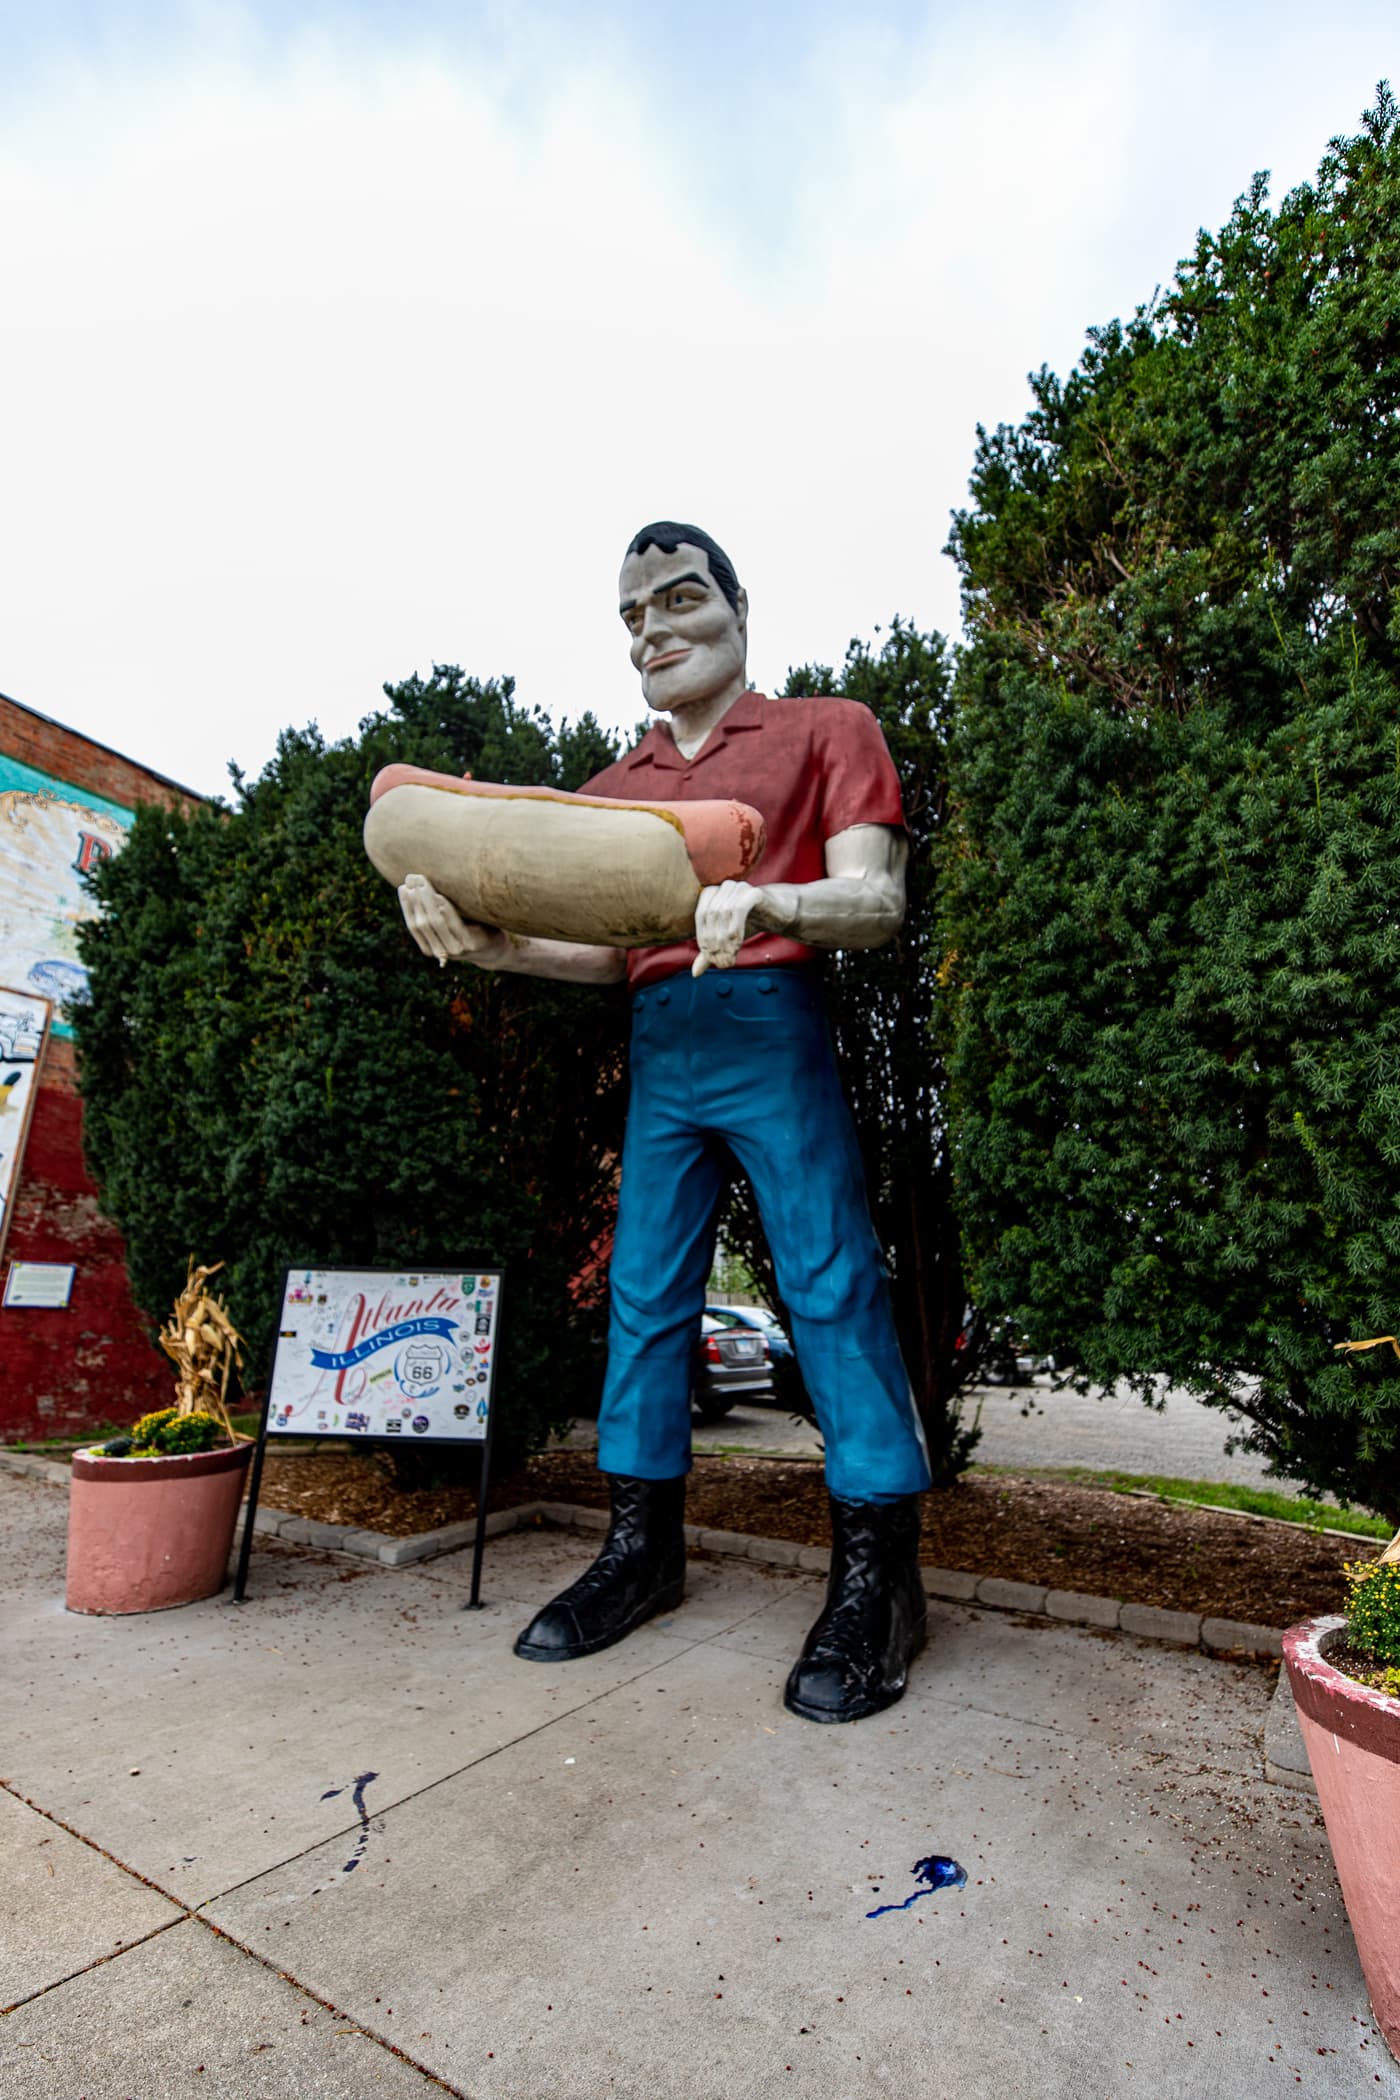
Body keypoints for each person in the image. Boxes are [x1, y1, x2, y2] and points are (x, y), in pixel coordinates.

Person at [394, 522, 931, 1722]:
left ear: (739, 609)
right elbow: (602, 950)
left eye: (679, 597)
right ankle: (642, 1547)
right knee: (643, 1293)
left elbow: (876, 899)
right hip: (663, 1039)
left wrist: (766, 898)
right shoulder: (611, 794)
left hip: (769, 1016)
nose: (653, 628)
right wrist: (490, 946)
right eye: (632, 614)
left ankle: (879, 1580)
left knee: (829, 1279)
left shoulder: (822, 729)